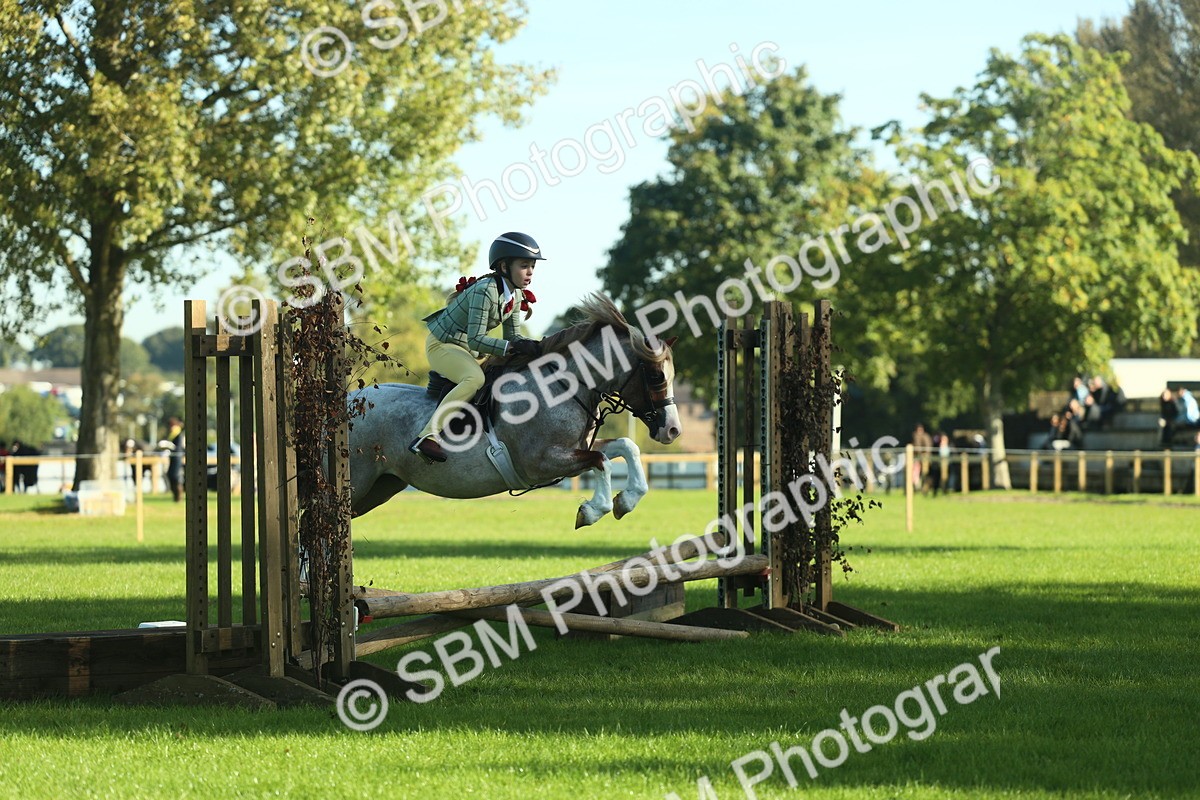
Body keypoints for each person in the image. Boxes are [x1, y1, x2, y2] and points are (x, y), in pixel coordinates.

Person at [411, 232, 546, 463]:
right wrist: (512, 346)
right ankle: (427, 436)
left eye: (532, 266)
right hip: (442, 344)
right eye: (524, 266)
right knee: (474, 379)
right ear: (504, 266)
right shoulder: (485, 291)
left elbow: (512, 336)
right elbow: (476, 340)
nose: (530, 272)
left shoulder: (515, 295)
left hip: (466, 350)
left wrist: (534, 346)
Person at [163, 417, 185, 502]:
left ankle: (178, 496)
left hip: (177, 458)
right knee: (171, 475)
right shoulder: (173, 434)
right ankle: (176, 496)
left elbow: (178, 447)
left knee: (175, 476)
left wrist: (170, 446)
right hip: (173, 457)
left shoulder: (178, 434)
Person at [911, 423, 932, 492]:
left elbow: (927, 447)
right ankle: (917, 486)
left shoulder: (926, 436)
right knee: (915, 473)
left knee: (925, 473)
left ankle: (923, 487)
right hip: (916, 459)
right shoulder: (915, 436)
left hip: (924, 459)